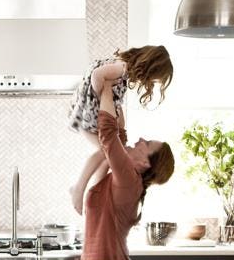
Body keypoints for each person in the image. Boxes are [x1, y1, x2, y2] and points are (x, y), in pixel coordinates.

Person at [79, 80, 175, 260]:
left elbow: (108, 135)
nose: (140, 140)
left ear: (145, 163)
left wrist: (107, 84)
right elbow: (116, 142)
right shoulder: (126, 179)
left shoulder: (129, 180)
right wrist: (115, 96)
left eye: (147, 143)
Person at [68, 46, 173, 215]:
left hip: (86, 113)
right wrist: (102, 97)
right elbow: (97, 75)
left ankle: (89, 193)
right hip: (87, 114)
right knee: (104, 152)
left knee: (106, 155)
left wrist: (111, 105)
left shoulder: (123, 68)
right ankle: (79, 188)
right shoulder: (122, 68)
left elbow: (111, 95)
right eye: (154, 79)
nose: (151, 82)